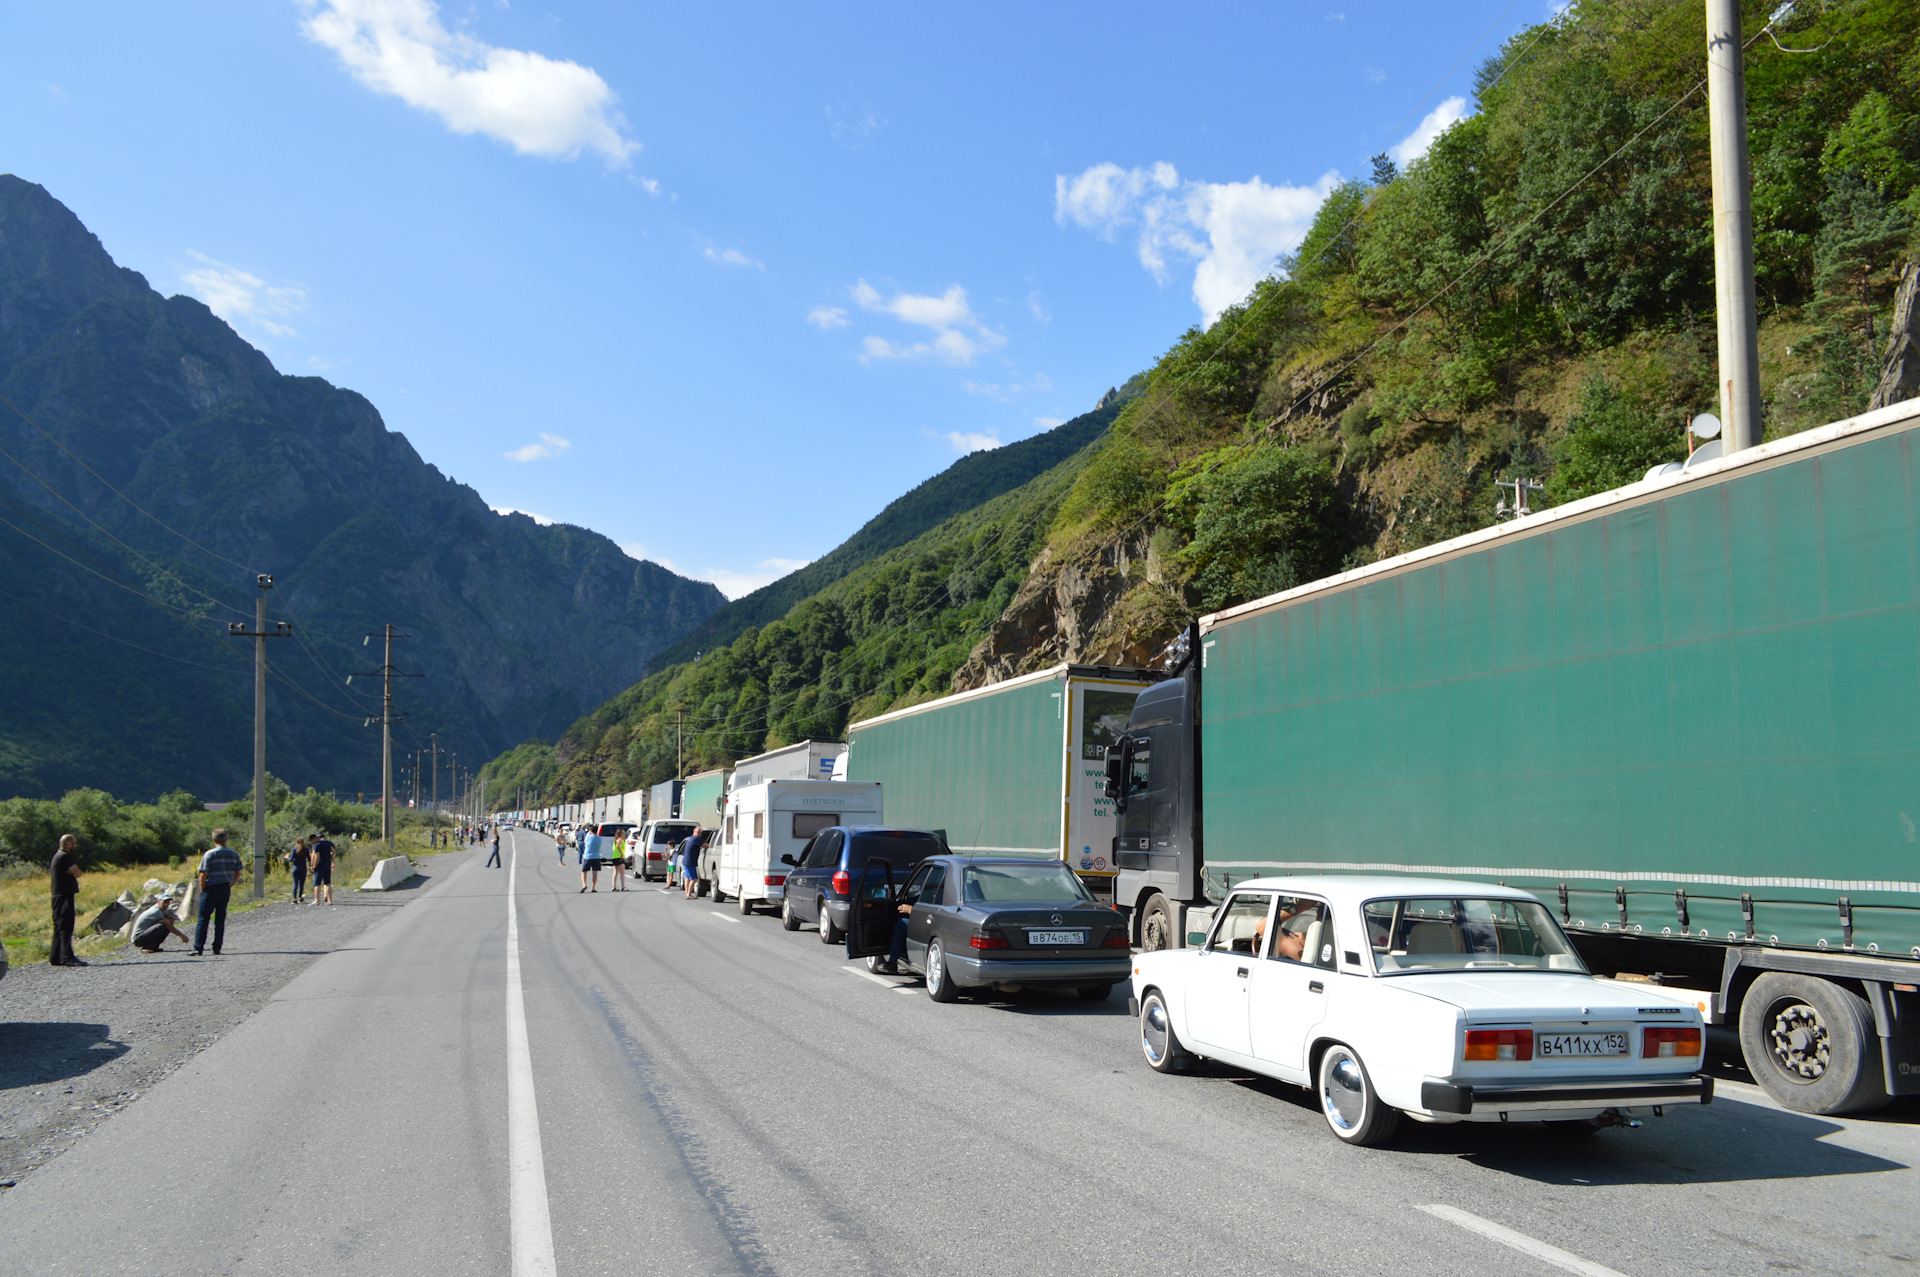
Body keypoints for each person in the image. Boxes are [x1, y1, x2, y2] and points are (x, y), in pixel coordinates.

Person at [193, 830, 244, 956]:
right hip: (224, 888)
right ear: (226, 839)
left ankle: (198, 948)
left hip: (210, 889)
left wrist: (202, 888)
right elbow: (238, 872)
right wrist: (231, 883)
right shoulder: (233, 854)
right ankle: (217, 948)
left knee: (203, 919)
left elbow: (203, 873)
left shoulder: (209, 854)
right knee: (220, 920)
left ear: (213, 840)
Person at [49, 833, 83, 967]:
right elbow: (78, 873)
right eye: (75, 843)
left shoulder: (58, 856)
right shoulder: (64, 856)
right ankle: (68, 957)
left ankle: (55, 957)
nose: (76, 846)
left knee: (59, 926)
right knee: (66, 927)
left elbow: (74, 872)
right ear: (68, 844)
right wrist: (72, 872)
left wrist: (72, 872)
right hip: (64, 896)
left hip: (58, 896)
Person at [309, 832, 337, 906]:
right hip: (327, 864)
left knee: (317, 884)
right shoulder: (328, 843)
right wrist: (332, 861)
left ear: (314, 838)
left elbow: (316, 857)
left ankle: (317, 900)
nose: (312, 843)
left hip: (319, 865)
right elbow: (333, 852)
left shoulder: (317, 845)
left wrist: (313, 866)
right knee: (327, 883)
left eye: (312, 841)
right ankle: (330, 901)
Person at [679, 827, 705, 899]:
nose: (700, 834)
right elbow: (705, 845)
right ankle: (689, 894)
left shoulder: (691, 838)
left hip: (686, 861)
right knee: (694, 878)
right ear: (694, 832)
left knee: (687, 878)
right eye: (698, 832)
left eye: (700, 833)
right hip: (690, 861)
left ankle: (687, 893)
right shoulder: (696, 839)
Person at [578, 828, 602, 893]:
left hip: (587, 856)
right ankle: (593, 887)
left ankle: (584, 885)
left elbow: (585, 843)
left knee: (584, 871)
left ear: (590, 831)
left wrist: (589, 832)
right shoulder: (599, 838)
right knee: (595, 873)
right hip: (596, 856)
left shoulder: (587, 837)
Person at [287, 836, 309, 903]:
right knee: (301, 884)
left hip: (295, 868)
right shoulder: (306, 850)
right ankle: (300, 896)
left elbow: (291, 860)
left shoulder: (294, 849)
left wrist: (287, 857)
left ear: (297, 842)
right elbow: (309, 859)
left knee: (295, 883)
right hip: (303, 868)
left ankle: (294, 898)